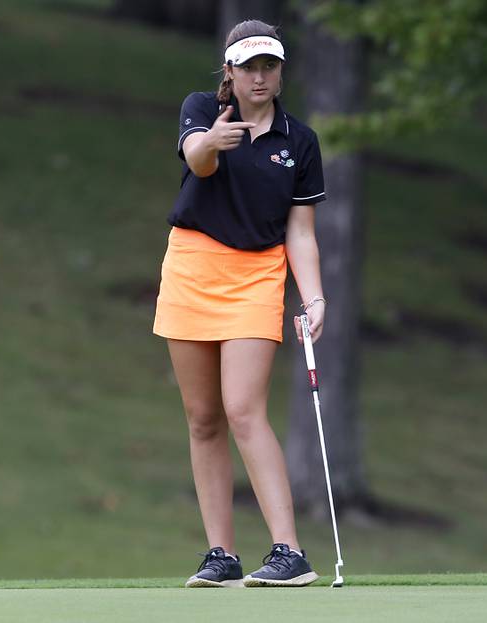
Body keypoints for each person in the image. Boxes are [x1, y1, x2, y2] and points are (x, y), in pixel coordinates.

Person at [152, 20, 327, 588]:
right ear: (229, 71)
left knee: (243, 409)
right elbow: (197, 161)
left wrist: (315, 295)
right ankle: (220, 555)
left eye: (269, 66)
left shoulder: (298, 141)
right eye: (248, 67)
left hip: (257, 273)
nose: (259, 77)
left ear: (280, 72)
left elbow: (301, 231)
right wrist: (210, 143)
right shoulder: (204, 108)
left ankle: (288, 552)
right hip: (192, 265)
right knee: (203, 418)